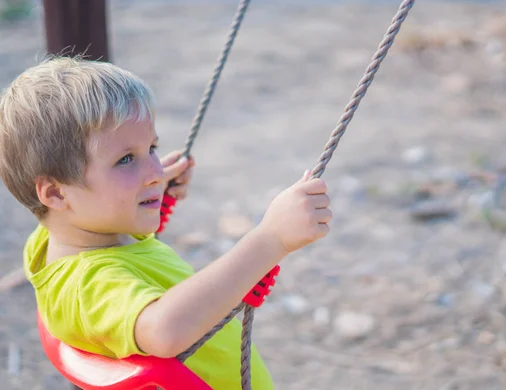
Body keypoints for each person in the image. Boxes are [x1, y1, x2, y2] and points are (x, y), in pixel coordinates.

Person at [0, 56, 332, 389]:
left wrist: (144, 202)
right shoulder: (88, 286)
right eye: (126, 159)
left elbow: (120, 270)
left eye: (152, 149)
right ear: (56, 193)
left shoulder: (60, 237)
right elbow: (164, 331)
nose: (156, 173)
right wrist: (271, 238)